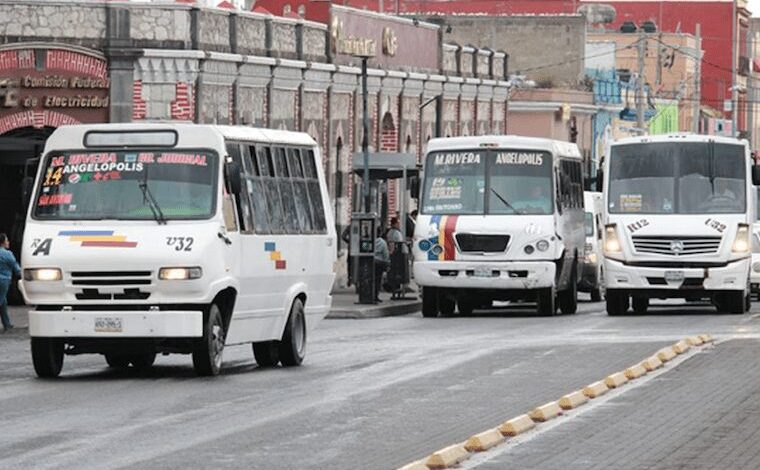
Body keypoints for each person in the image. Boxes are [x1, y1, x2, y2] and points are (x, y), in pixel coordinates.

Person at [0, 233, 21, 332]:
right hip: (3, 281)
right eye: (7, 240)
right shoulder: (7, 254)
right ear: (3, 242)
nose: (8, 242)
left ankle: (7, 324)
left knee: (3, 302)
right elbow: (16, 268)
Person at [373, 227, 390, 302]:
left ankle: (370, 294)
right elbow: (385, 254)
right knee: (378, 280)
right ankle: (376, 295)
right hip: (380, 263)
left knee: (371, 279)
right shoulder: (383, 242)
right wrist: (387, 263)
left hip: (371, 262)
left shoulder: (371, 241)